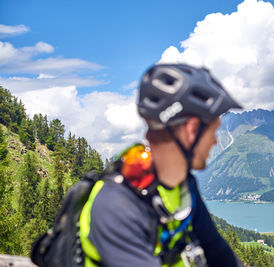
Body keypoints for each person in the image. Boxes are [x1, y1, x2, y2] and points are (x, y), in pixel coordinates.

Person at [79, 63, 243, 267]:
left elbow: (219, 253)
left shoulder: (183, 186)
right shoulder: (115, 205)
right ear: (192, 129)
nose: (215, 141)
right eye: (213, 130)